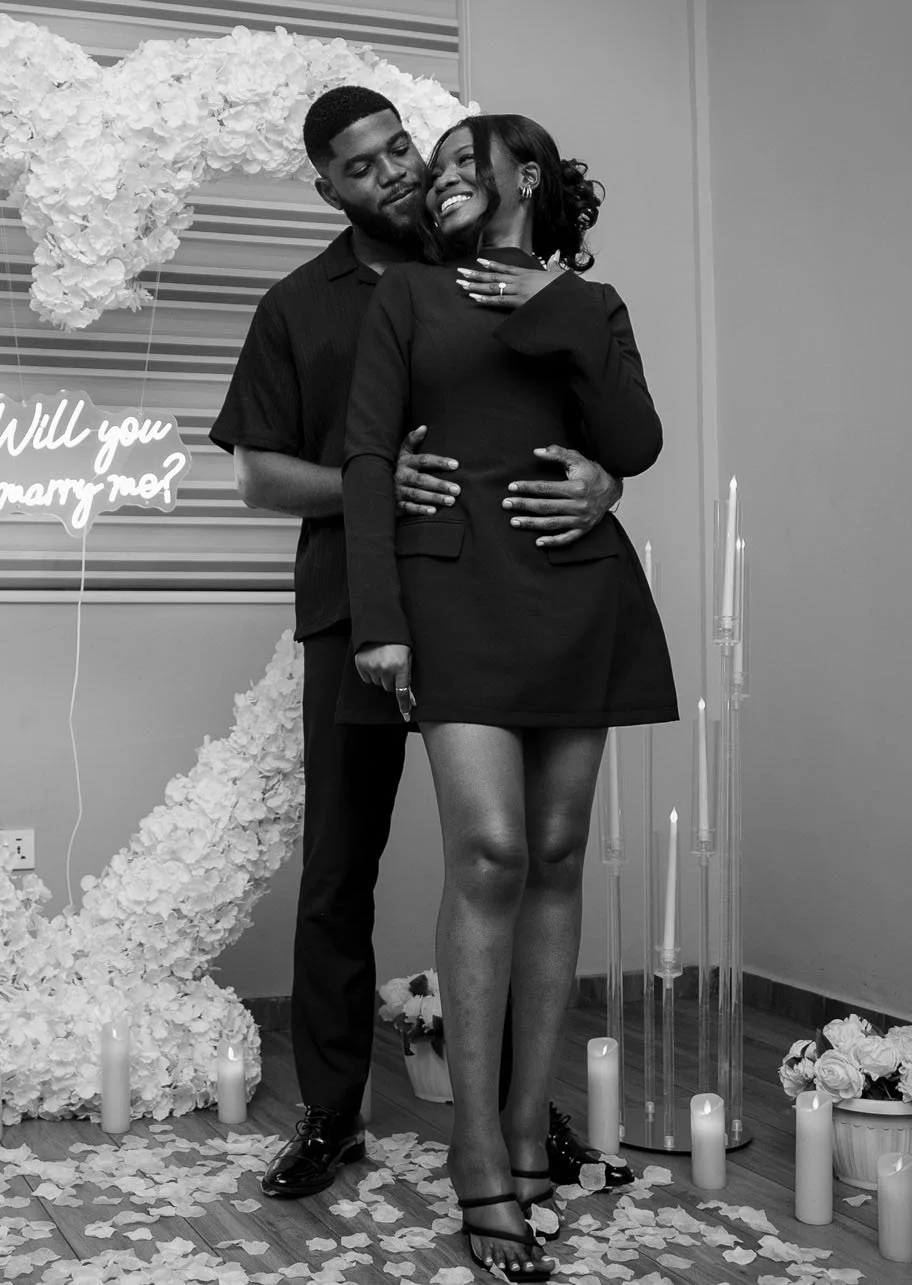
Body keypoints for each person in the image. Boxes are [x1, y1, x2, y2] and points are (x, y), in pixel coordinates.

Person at [210, 87, 626, 1204]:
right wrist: (374, 483)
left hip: (497, 610)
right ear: (325, 187)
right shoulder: (299, 304)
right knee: (343, 863)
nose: (391, 171)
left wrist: (605, 478)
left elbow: (584, 420)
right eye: (361, 166)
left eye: (401, 147)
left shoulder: (508, 273)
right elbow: (257, 473)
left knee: (507, 855)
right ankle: (331, 1114)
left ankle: (514, 1114)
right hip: (361, 607)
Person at [341, 113, 678, 1281]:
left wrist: (600, 473)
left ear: (520, 178)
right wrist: (378, 618)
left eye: (455, 169)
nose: (433, 185)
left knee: (552, 847)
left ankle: (530, 1128)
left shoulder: (591, 304)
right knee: (485, 850)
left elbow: (630, 440)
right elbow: (366, 456)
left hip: (572, 591)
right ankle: (475, 1150)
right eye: (425, 174)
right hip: (450, 596)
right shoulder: (407, 300)